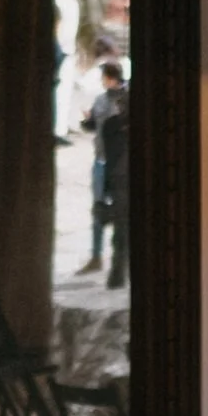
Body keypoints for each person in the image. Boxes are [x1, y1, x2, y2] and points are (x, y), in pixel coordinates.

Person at [81, 57, 130, 284]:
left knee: (119, 219)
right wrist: (88, 120)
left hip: (118, 166)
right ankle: (97, 256)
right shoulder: (100, 101)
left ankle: (118, 271)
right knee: (99, 210)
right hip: (103, 162)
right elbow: (92, 126)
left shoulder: (124, 101)